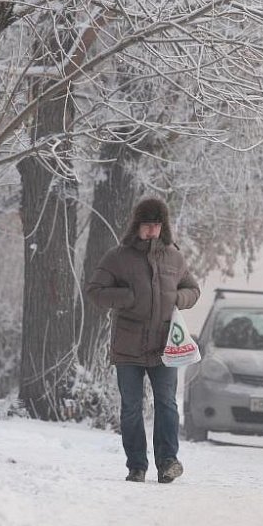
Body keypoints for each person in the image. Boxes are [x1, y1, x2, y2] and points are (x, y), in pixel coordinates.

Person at [86, 197, 201, 483]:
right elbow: (95, 290)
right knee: (131, 407)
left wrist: (178, 298)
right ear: (137, 226)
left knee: (167, 404)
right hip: (128, 347)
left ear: (164, 227)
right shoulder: (118, 257)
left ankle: (167, 462)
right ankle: (136, 465)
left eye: (157, 226)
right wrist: (127, 297)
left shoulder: (174, 257)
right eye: (147, 226)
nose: (152, 231)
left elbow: (193, 289)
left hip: (165, 347)